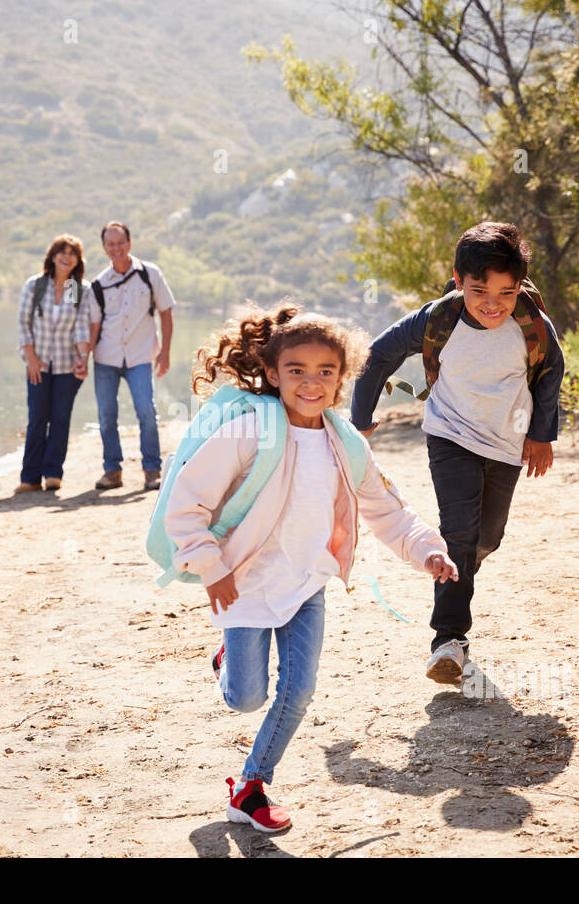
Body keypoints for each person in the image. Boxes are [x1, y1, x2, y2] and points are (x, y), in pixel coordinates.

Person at [162, 303, 458, 833]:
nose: (311, 382)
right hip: (245, 585)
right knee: (244, 697)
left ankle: (251, 786)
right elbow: (186, 507)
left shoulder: (345, 442)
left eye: (326, 371)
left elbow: (388, 508)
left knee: (297, 691)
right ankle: (229, 655)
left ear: (343, 379)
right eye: (296, 370)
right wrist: (211, 567)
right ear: (273, 373)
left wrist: (427, 550)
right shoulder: (249, 431)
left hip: (307, 584)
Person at [350, 221, 564, 686]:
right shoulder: (436, 318)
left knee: (487, 538)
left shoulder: (530, 323)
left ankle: (458, 568)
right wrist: (360, 422)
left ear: (520, 286)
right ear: (457, 279)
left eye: (506, 292)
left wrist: (542, 435)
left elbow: (552, 368)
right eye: (479, 289)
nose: (493, 303)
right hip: (449, 435)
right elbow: (377, 357)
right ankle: (449, 640)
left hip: (506, 441)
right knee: (460, 532)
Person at [89, 221, 176, 491]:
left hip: (140, 356)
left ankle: (152, 471)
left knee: (146, 411)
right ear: (104, 247)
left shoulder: (150, 274)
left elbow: (166, 312)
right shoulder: (98, 284)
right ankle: (112, 471)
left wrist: (165, 352)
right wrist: (83, 358)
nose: (116, 248)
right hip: (106, 358)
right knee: (106, 416)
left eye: (120, 242)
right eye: (110, 244)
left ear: (129, 243)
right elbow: (93, 325)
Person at [15, 234, 99, 494]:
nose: (66, 257)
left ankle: (53, 474)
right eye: (62, 252)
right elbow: (23, 324)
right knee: (37, 419)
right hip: (37, 365)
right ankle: (29, 478)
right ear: (52, 256)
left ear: (78, 260)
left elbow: (81, 328)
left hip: (67, 366)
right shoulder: (35, 285)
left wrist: (83, 360)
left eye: (72, 253)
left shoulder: (77, 289)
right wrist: (31, 359)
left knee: (61, 419)